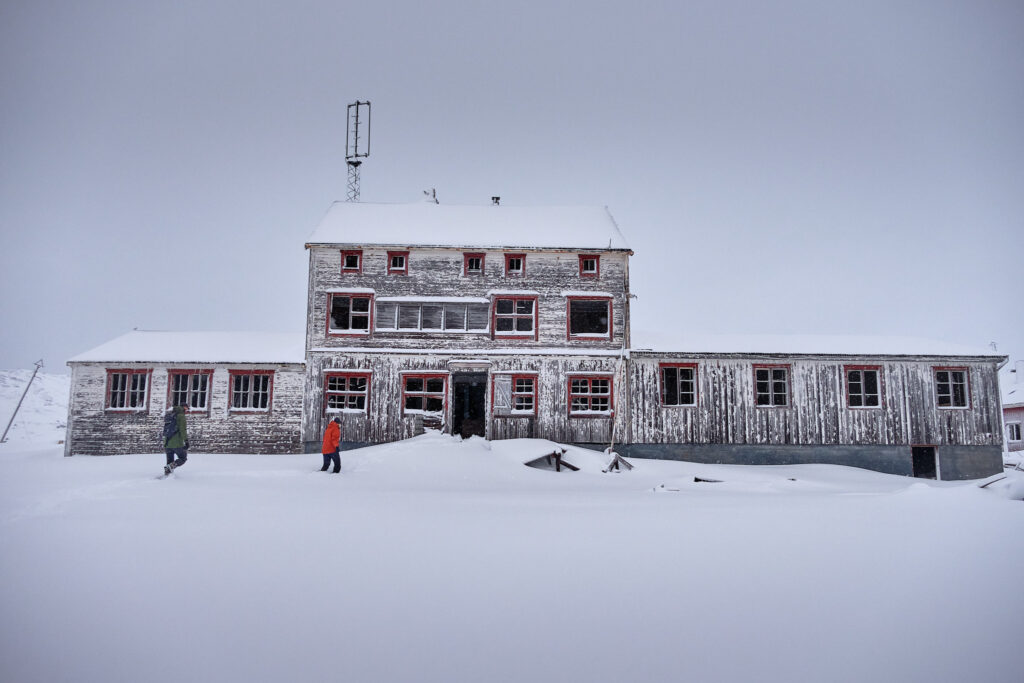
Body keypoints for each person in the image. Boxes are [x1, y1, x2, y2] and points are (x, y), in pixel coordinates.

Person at [163, 404, 189, 475]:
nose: (187, 410)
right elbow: (182, 429)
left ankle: (168, 475)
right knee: (183, 458)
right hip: (176, 442)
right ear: (184, 407)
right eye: (187, 409)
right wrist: (186, 441)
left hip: (167, 441)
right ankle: (171, 467)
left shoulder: (170, 414)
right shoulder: (181, 416)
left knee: (170, 460)